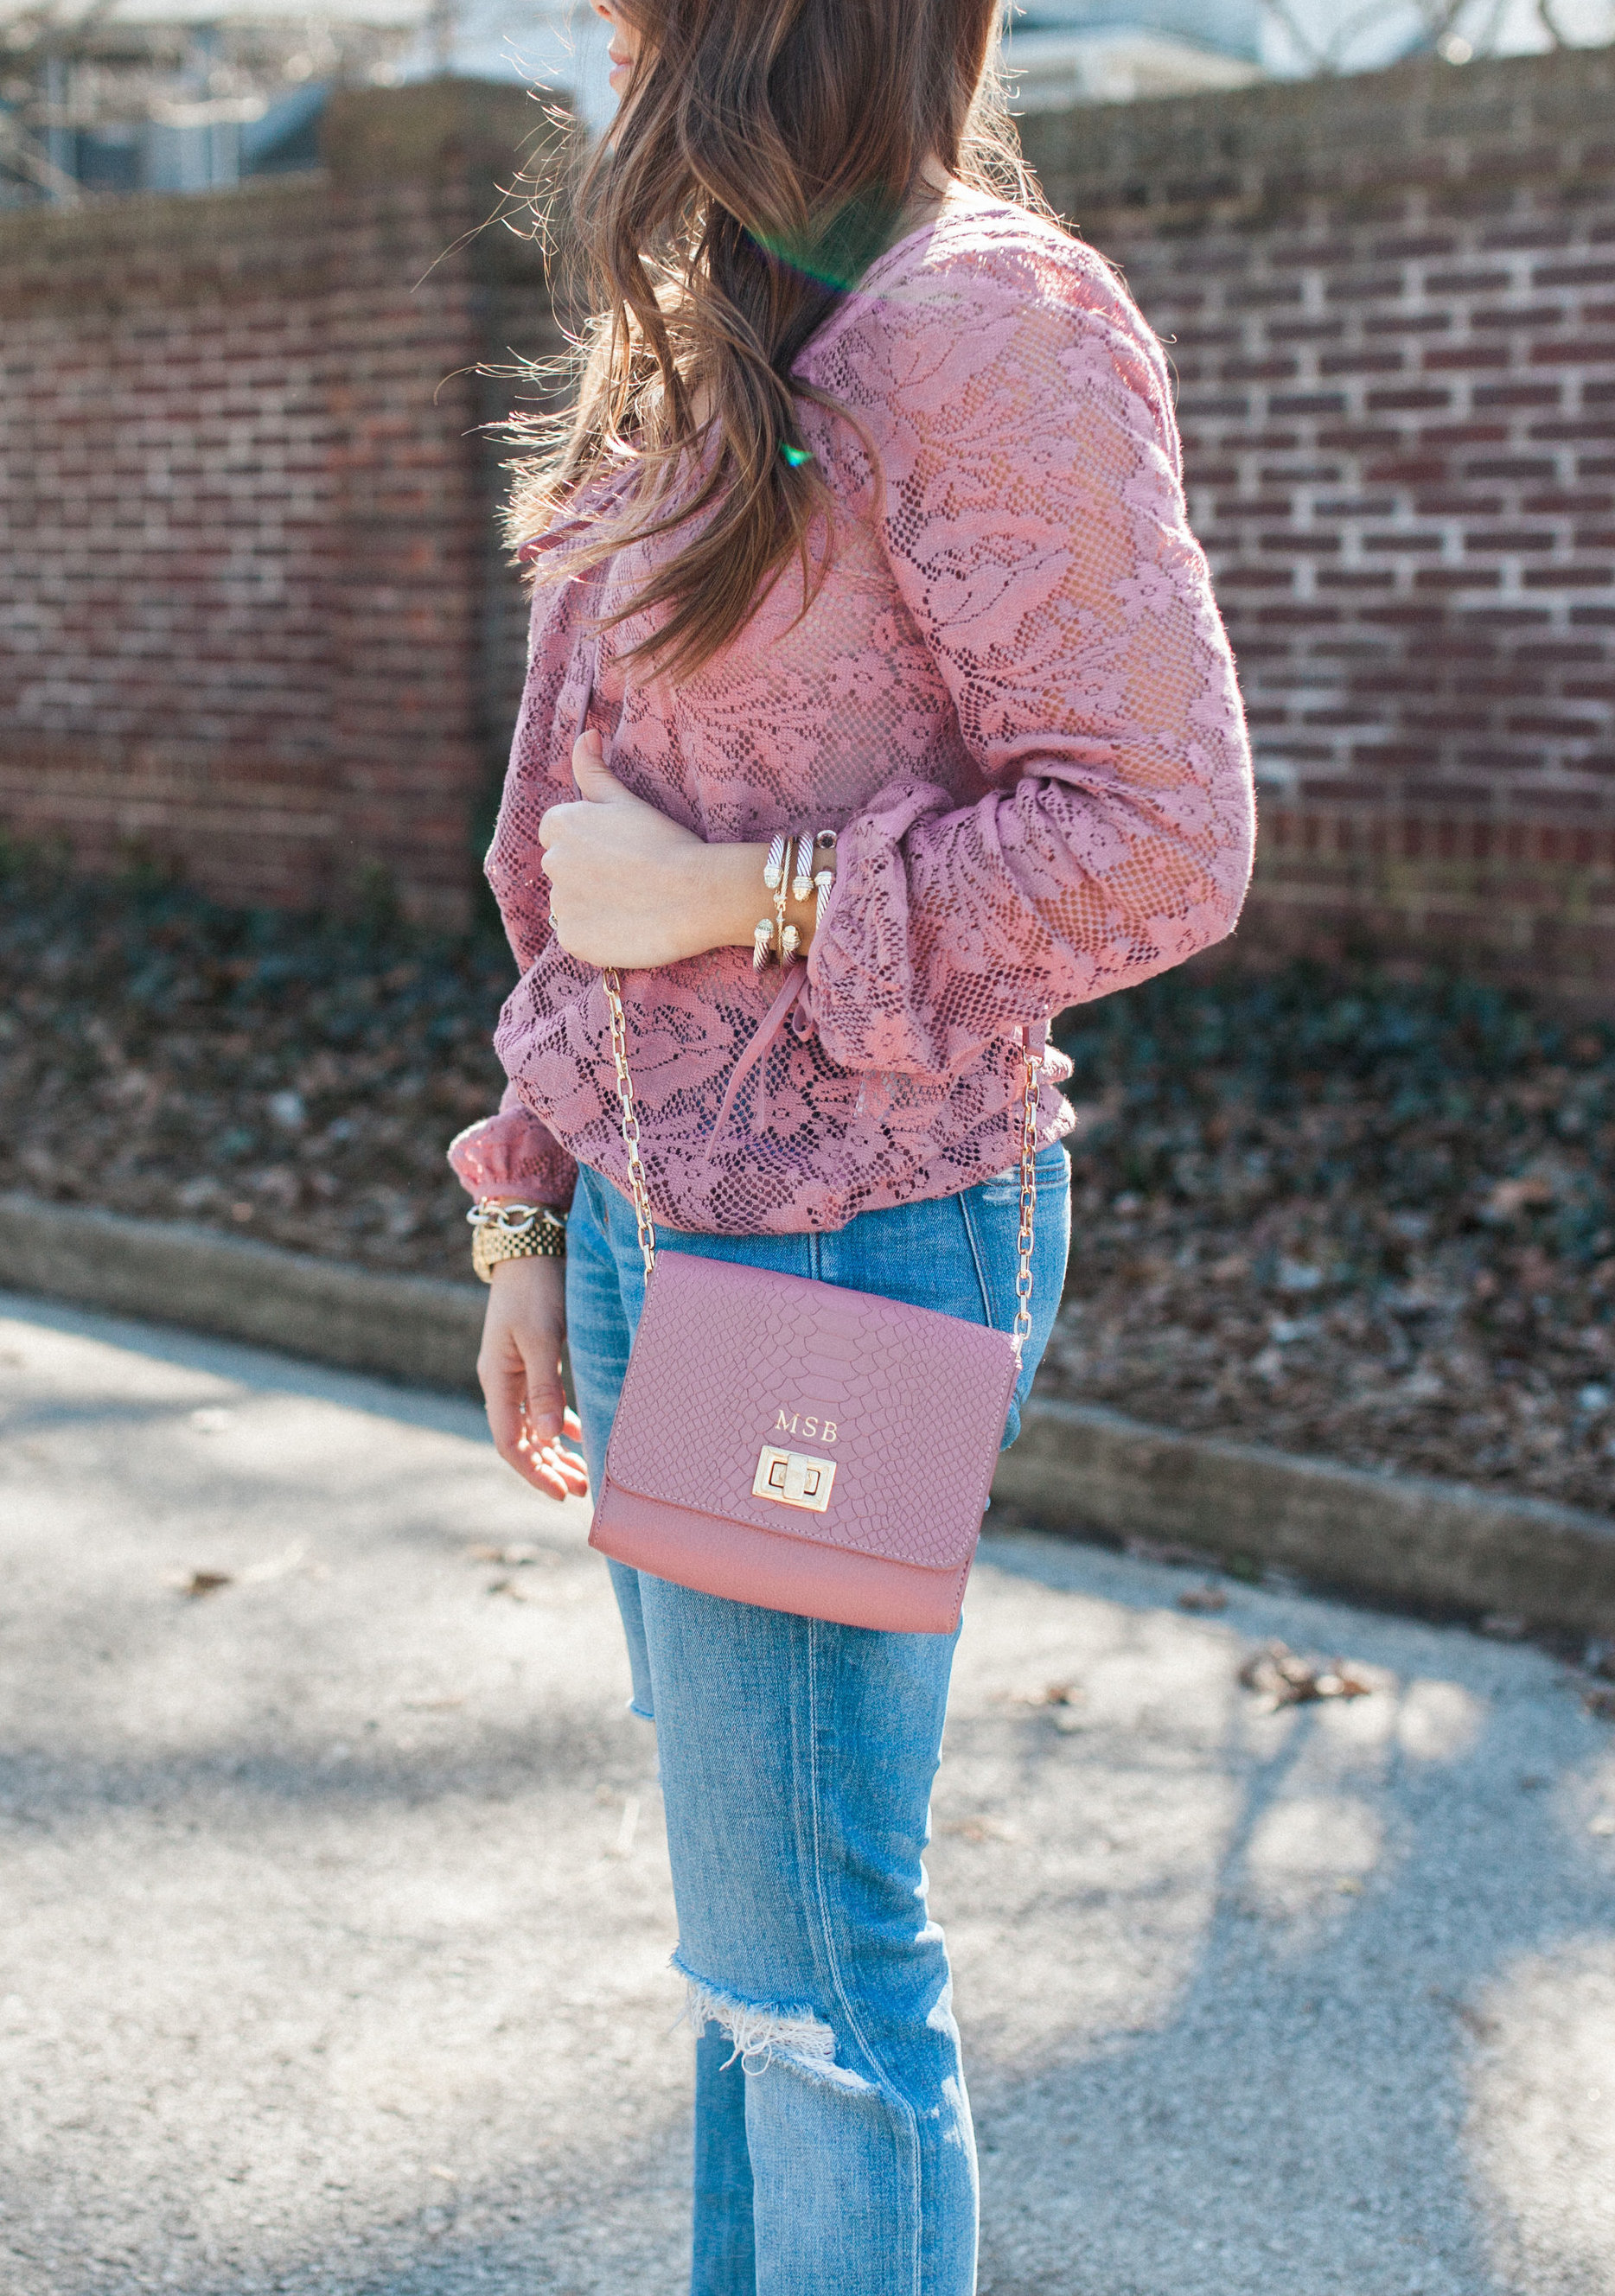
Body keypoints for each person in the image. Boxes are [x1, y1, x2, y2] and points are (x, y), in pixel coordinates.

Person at [448, 0, 1254, 2286]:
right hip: (644, 1226)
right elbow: (559, 847)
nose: (595, 28)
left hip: (847, 1239)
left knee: (813, 1962)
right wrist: (526, 1198)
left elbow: (1160, 843)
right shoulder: (716, 321)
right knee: (747, 1953)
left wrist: (752, 896)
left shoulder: (983, 320)